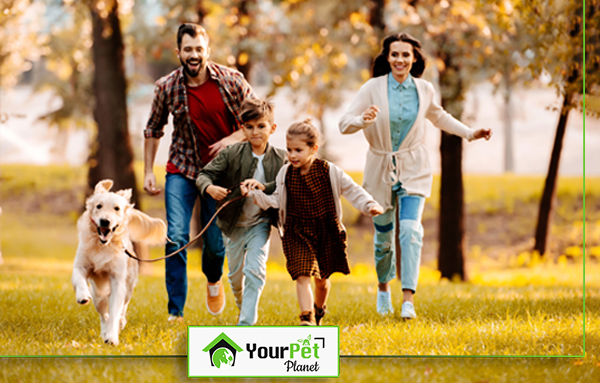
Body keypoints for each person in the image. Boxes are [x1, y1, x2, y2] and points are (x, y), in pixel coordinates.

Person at [338, 32, 492, 320]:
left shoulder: (424, 89)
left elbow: (440, 117)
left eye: (405, 55)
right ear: (387, 58)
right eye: (394, 54)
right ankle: (383, 288)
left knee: (410, 231)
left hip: (414, 168)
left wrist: (470, 133)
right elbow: (344, 124)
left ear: (414, 59)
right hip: (379, 169)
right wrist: (362, 120)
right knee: (384, 238)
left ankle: (408, 299)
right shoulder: (371, 88)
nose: (400, 59)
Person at [143, 23, 256, 322]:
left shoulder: (232, 81)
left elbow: (260, 119)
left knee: (216, 246)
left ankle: (213, 279)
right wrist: (147, 171)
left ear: (208, 51)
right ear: (178, 52)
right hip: (182, 169)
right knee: (177, 236)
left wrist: (231, 139)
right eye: (188, 49)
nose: (194, 55)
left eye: (199, 49)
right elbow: (154, 129)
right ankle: (175, 311)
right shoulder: (166, 87)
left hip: (221, 175)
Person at [243, 120, 384, 326]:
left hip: (325, 230)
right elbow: (275, 200)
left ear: (314, 148)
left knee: (322, 281)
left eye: (298, 150)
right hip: (296, 231)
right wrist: (256, 194)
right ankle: (306, 317)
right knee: (302, 274)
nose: (292, 155)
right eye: (289, 149)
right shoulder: (285, 173)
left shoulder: (330, 171)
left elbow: (353, 190)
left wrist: (370, 204)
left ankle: (318, 310)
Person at [196, 98, 287, 326]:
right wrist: (210, 187)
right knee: (236, 279)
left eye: (261, 126)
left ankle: (246, 325)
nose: (255, 132)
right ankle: (243, 307)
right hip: (233, 225)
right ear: (242, 127)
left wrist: (262, 189)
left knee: (255, 270)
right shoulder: (232, 153)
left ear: (272, 128)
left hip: (260, 224)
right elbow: (203, 175)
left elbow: (283, 186)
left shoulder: (282, 158)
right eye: (249, 127)